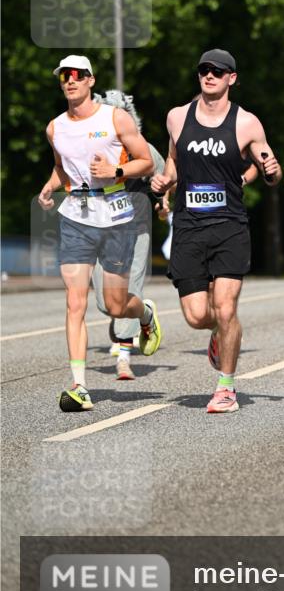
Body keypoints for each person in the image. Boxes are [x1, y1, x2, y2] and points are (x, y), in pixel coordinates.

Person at [150, 49, 281, 414]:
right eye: (204, 71)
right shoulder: (177, 117)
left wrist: (271, 170)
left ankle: (226, 387)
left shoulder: (247, 123)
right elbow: (175, 162)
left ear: (231, 79)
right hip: (189, 226)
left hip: (229, 225)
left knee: (225, 308)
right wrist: (166, 180)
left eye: (218, 72)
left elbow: (271, 170)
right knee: (196, 315)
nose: (210, 76)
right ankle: (219, 335)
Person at [38, 55, 161, 412]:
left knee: (114, 304)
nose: (70, 81)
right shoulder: (55, 127)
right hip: (76, 215)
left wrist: (116, 170)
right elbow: (63, 168)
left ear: (91, 80)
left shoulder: (114, 117)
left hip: (116, 214)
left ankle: (145, 316)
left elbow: (147, 161)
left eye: (77, 75)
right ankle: (79, 386)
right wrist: (49, 188)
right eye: (64, 76)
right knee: (75, 302)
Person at [90, 90, 166, 380]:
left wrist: (163, 203)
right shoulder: (91, 148)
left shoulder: (140, 147)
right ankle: (145, 313)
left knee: (127, 290)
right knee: (103, 302)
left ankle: (124, 358)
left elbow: (163, 177)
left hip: (135, 227)